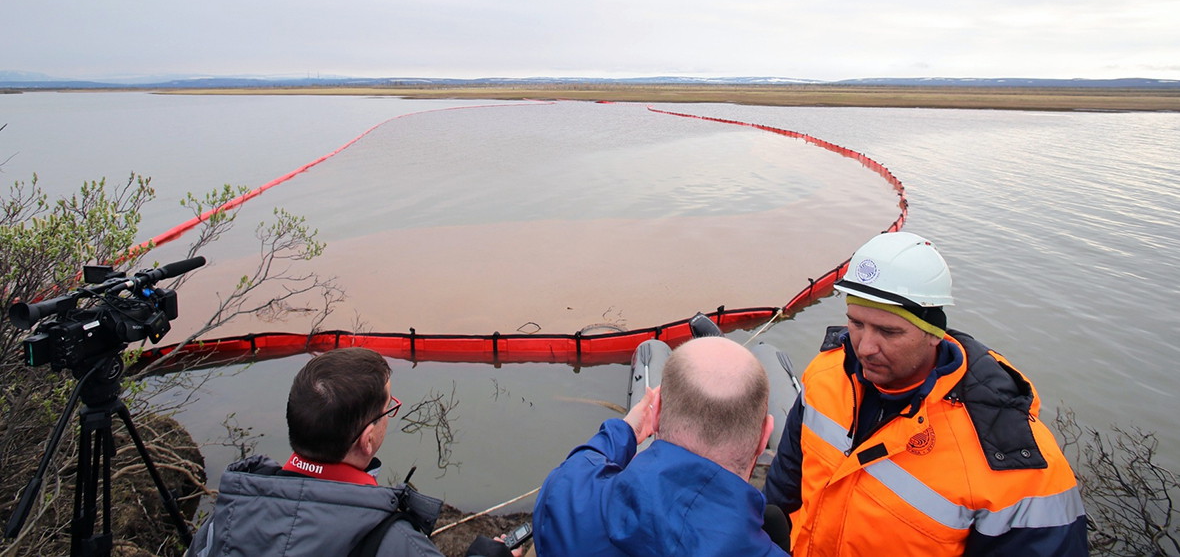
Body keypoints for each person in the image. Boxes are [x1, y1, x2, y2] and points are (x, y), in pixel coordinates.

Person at [763, 231, 1088, 556]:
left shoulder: (1010, 455)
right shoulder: (826, 373)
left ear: (934, 334)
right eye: (856, 323)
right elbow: (786, 482)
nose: (865, 347)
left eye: (889, 331)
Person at [188, 347, 514, 557]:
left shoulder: (224, 519)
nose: (390, 414)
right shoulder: (399, 545)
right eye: (389, 408)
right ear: (367, 440)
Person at [532, 335, 790, 557]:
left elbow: (582, 464)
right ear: (763, 436)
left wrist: (625, 430)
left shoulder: (564, 502)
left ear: (656, 415)